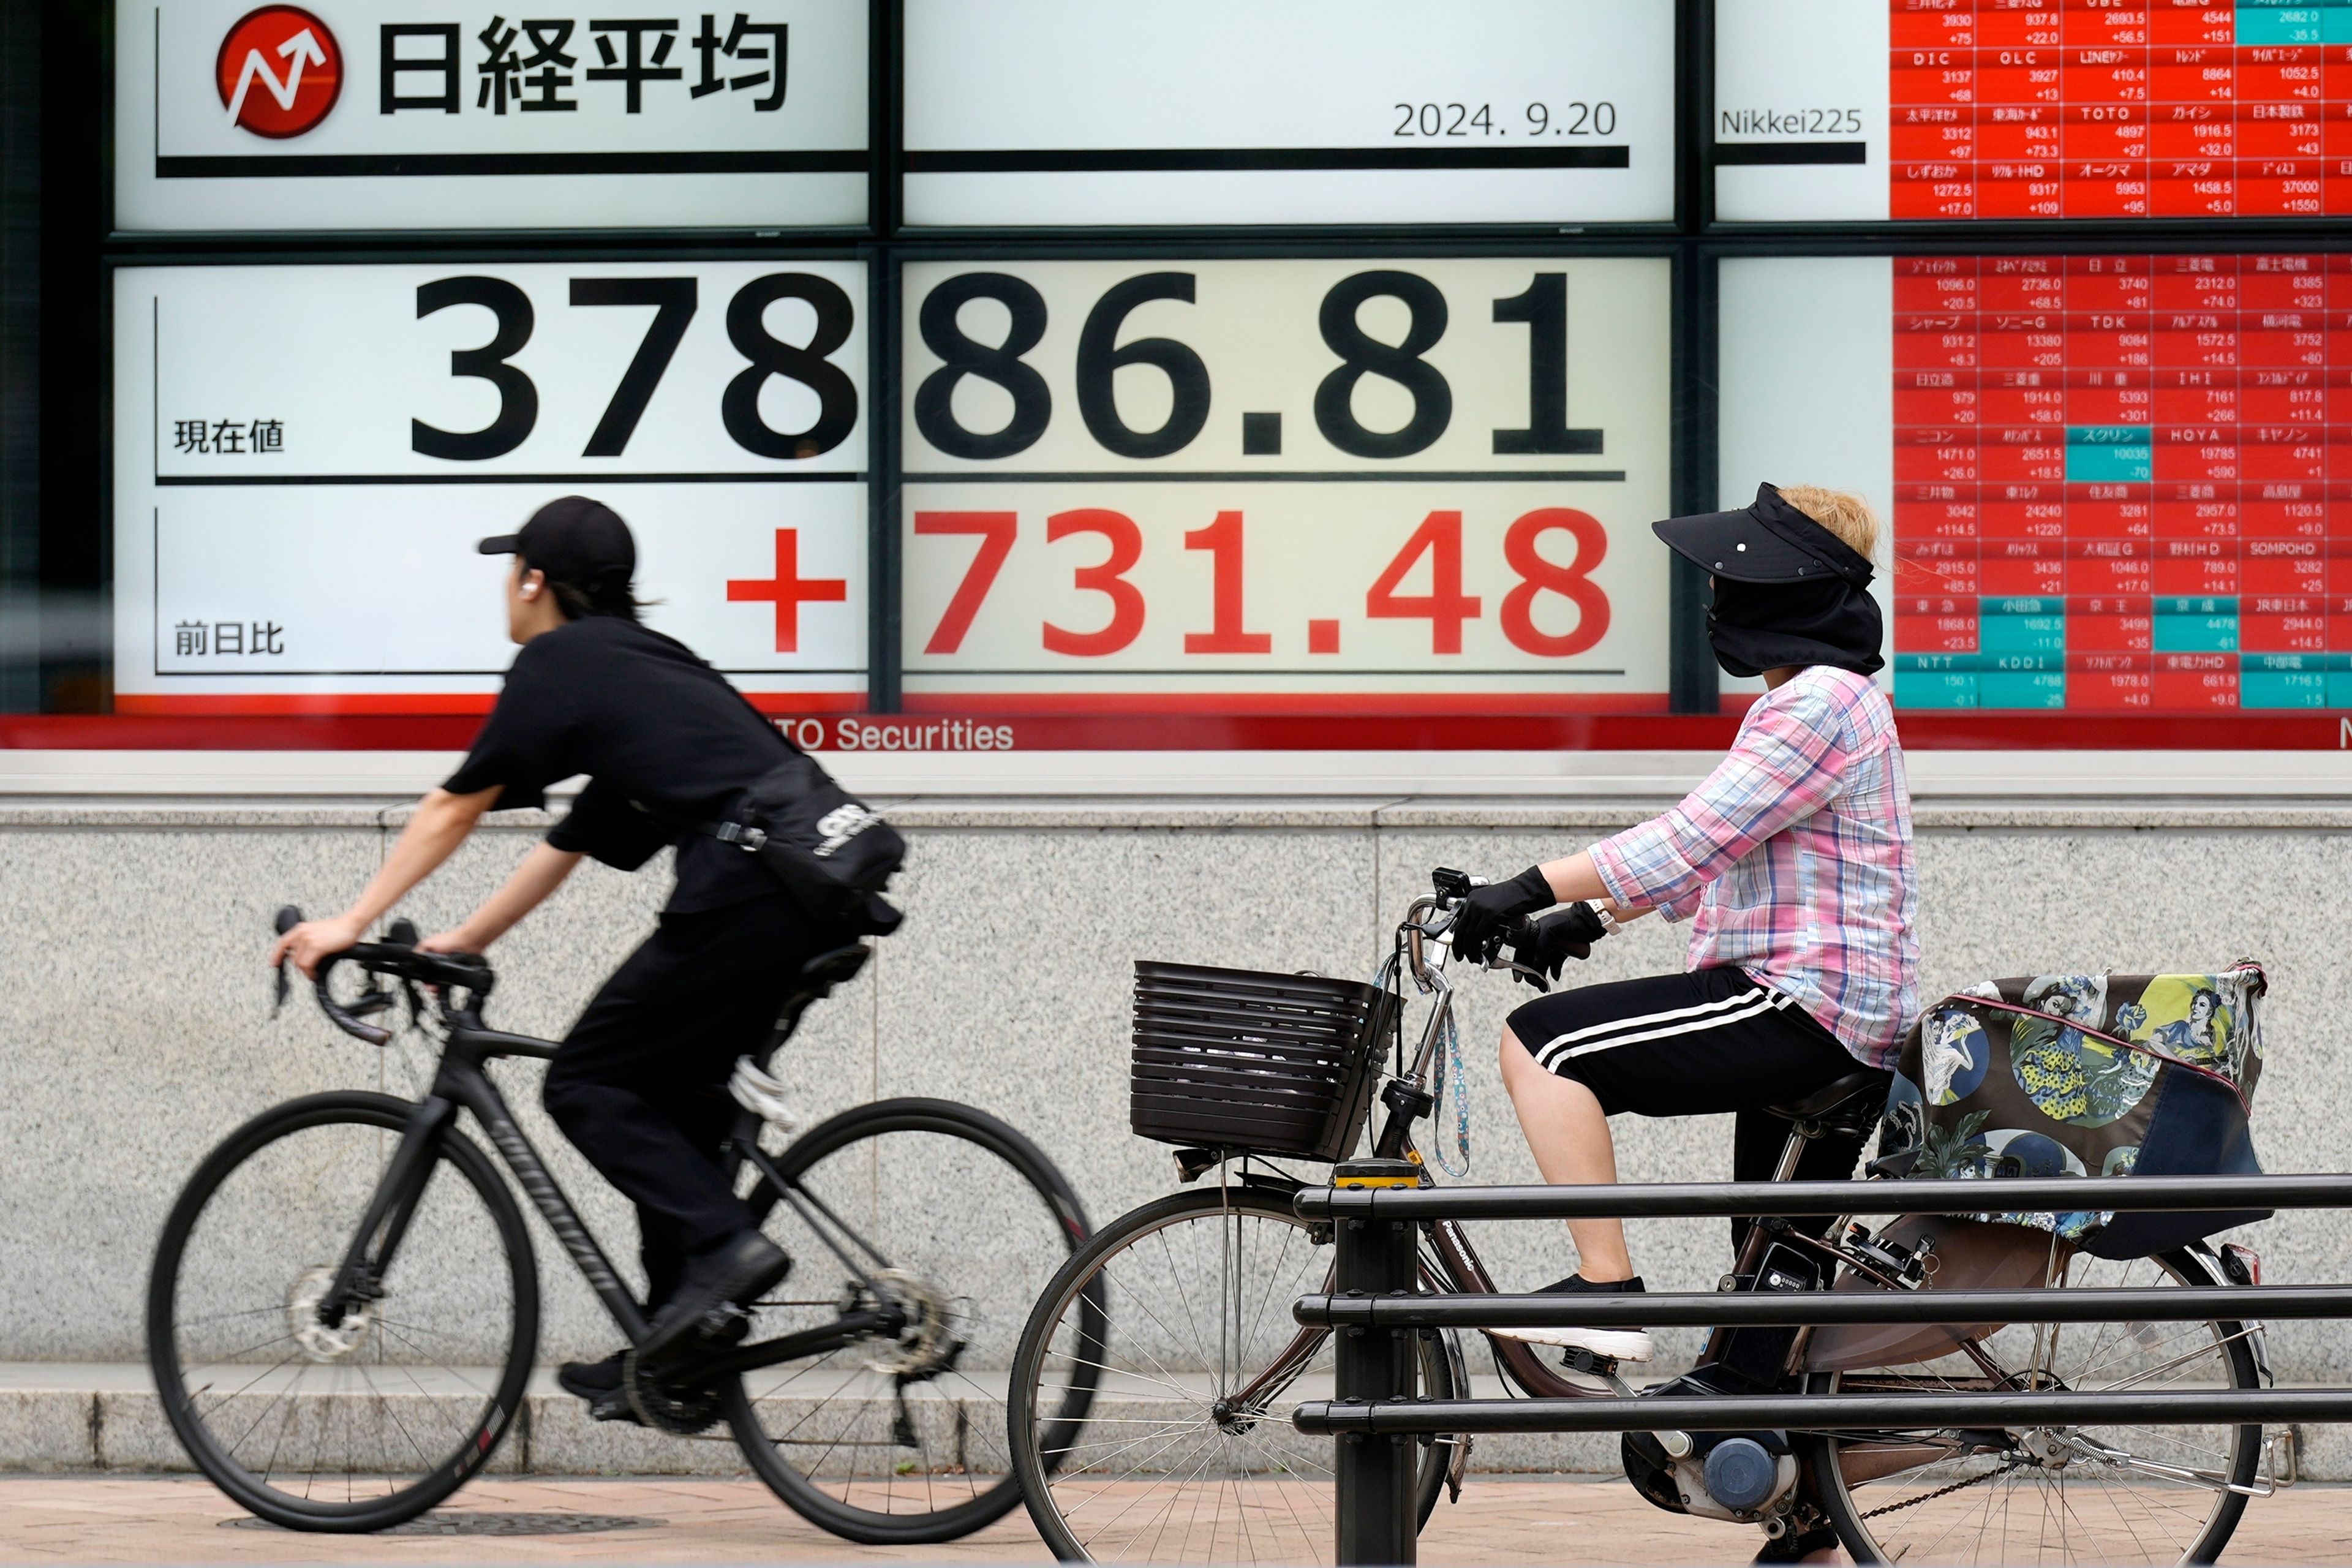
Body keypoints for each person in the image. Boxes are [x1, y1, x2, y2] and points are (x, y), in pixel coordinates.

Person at [271, 496, 858, 1420]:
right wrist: (463, 940)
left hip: (752, 889)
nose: (504, 590)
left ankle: (729, 1251)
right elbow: (573, 840)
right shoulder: (638, 669)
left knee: (586, 1084)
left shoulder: (562, 661)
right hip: (811, 889)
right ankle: (676, 1352)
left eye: (511, 572)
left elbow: (455, 805)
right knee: (667, 1104)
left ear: (535, 581)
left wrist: (351, 921)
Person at [1449, 481, 1919, 1368]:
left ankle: (1604, 1286)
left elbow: (1692, 836)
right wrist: (1586, 917)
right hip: (1835, 1011)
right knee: (1771, 1274)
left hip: (1802, 1005)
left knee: (1542, 1046)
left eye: (1731, 581)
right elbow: (1728, 852)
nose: (1715, 599)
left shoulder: (1819, 703)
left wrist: (1527, 887)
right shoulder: (1825, 700)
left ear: (1784, 590)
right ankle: (1775, 1468)